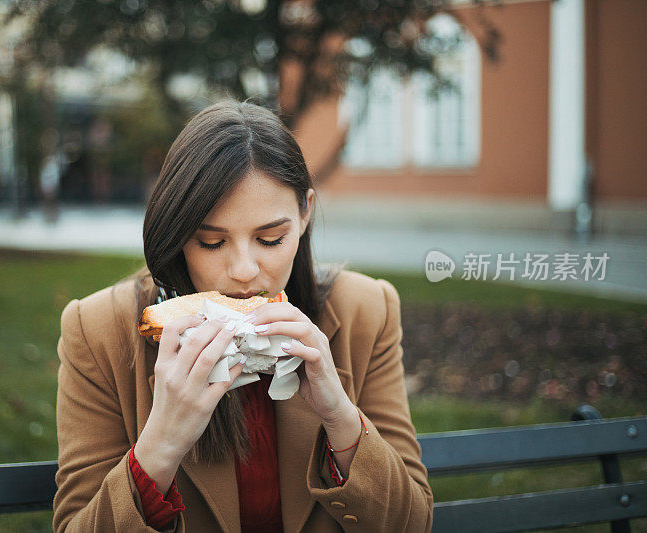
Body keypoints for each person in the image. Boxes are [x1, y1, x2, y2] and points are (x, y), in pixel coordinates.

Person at [52, 100, 433, 532]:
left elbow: (413, 524)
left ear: (305, 213)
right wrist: (159, 446)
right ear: (177, 235)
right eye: (212, 243)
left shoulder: (367, 310)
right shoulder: (97, 330)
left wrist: (342, 420)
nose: (244, 271)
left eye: (270, 239)